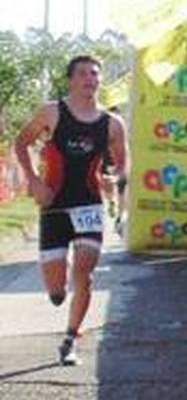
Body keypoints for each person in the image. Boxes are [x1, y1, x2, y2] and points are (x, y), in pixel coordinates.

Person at [11, 54, 129, 365]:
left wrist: (113, 178)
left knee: (85, 274)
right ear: (71, 80)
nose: (90, 79)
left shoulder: (113, 123)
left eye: (95, 74)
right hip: (54, 203)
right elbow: (21, 143)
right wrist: (34, 181)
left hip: (89, 202)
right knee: (56, 287)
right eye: (83, 74)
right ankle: (57, 290)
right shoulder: (52, 112)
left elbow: (122, 163)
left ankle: (70, 339)